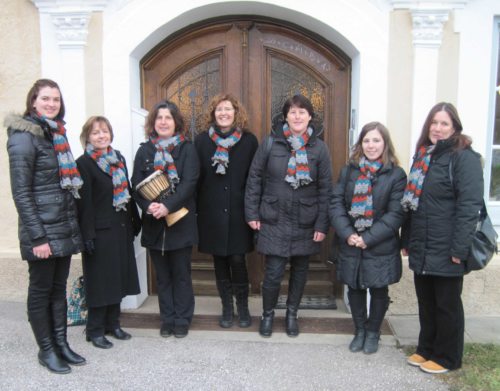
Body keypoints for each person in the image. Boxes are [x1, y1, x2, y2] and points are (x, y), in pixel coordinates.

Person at [5, 79, 86, 374]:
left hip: (61, 226)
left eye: (56, 99)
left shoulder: (55, 135)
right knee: (41, 290)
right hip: (41, 231)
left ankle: (61, 343)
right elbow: (22, 193)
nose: (51, 104)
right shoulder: (23, 136)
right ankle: (47, 349)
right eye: (45, 99)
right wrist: (38, 237)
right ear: (33, 102)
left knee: (57, 289)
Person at [401, 102, 483, 374]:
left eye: (444, 123)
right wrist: (407, 239)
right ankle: (427, 349)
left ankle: (448, 357)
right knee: (426, 301)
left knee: (447, 305)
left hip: (448, 246)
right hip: (422, 244)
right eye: (434, 123)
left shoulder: (464, 157)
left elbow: (469, 206)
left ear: (454, 127)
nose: (438, 128)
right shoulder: (423, 156)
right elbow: (412, 204)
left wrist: (459, 248)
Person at [245, 94, 332, 338]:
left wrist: (322, 223)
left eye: (302, 112)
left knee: (300, 271)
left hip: (306, 219)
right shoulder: (271, 143)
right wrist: (251, 212)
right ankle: (268, 314)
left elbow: (326, 188)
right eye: (292, 112)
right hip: (274, 217)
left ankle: (292, 314)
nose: (297, 116)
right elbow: (254, 179)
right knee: (273, 272)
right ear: (285, 116)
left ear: (310, 117)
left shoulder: (320, 148)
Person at [329, 122, 407, 354]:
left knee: (379, 289)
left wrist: (368, 238)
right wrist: (349, 234)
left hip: (379, 243)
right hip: (351, 241)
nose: (371, 145)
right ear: (360, 144)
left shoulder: (396, 175)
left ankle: (374, 332)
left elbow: (396, 214)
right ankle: (359, 330)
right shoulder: (349, 171)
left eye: (376, 140)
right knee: (354, 288)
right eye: (366, 140)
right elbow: (336, 204)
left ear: (385, 144)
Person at [132, 100, 199, 338]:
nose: (163, 122)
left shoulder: (187, 149)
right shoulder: (144, 151)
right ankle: (167, 319)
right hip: (154, 225)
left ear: (176, 122)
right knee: (162, 277)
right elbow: (135, 187)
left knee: (181, 275)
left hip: (180, 222)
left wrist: (168, 206)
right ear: (153, 123)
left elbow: (190, 183)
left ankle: (182, 319)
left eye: (168, 118)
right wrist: (149, 206)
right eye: (159, 118)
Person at [76, 116, 141, 349]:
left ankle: (113, 324)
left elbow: (128, 192)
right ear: (87, 137)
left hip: (121, 227)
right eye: (95, 133)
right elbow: (84, 204)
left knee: (118, 278)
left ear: (110, 134)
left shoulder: (118, 158)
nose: (101, 136)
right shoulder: (83, 163)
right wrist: (87, 235)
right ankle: (94, 330)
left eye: (104, 131)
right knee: (100, 281)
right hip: (99, 232)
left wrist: (135, 219)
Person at [195, 94, 258, 328]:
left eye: (228, 109)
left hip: (239, 212)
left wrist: (254, 210)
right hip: (211, 212)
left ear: (236, 112)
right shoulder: (201, 141)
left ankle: (242, 307)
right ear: (213, 113)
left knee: (238, 259)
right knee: (219, 260)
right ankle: (226, 308)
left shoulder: (249, 141)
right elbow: (196, 177)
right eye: (219, 109)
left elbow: (255, 178)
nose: (223, 113)